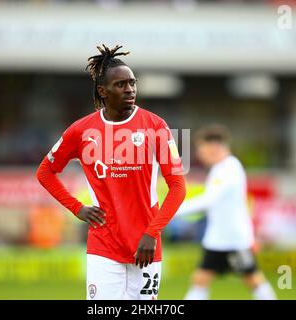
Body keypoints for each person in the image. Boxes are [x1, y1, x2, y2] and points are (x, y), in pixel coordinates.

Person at [36, 45, 186, 300]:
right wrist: (77, 208)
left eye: (132, 83)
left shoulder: (156, 126)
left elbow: (178, 187)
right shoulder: (81, 130)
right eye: (121, 84)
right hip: (103, 247)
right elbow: (45, 172)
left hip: (146, 246)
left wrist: (152, 233)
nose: (130, 89)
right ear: (102, 91)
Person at [176, 124, 276, 300]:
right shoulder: (220, 169)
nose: (199, 154)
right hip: (218, 238)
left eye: (201, 148)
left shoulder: (229, 168)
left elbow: (208, 200)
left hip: (233, 240)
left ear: (213, 147)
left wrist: (170, 211)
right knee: (201, 279)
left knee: (252, 279)